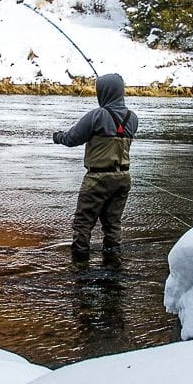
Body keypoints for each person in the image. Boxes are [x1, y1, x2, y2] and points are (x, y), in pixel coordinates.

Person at [53, 73, 139, 264]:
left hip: (98, 179)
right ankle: (113, 265)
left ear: (104, 92)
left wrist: (57, 136)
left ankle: (80, 266)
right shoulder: (132, 118)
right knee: (113, 224)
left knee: (83, 223)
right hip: (123, 178)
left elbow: (71, 139)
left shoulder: (97, 116)